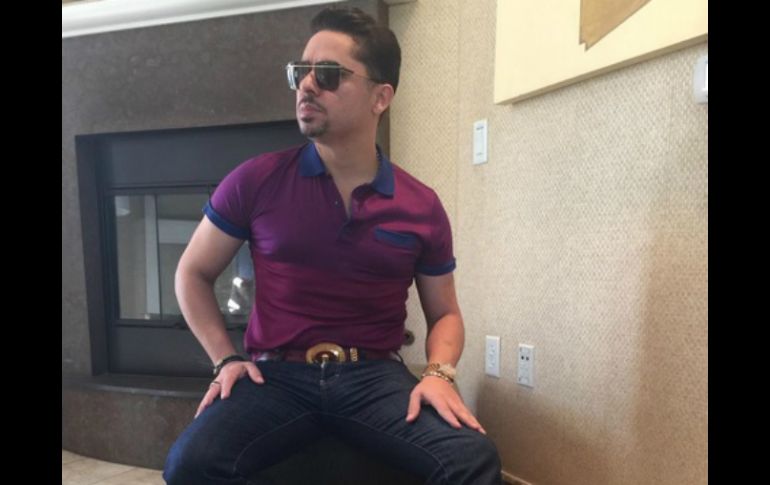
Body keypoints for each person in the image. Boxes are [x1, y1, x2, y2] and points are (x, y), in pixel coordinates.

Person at [163, 6, 502, 484]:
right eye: (300, 72)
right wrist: (226, 358)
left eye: (327, 74)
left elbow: (445, 312)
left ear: (380, 97)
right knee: (189, 463)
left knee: (471, 459)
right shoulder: (256, 180)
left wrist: (438, 374)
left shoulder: (420, 205)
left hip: (374, 379)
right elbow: (192, 273)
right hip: (277, 378)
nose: (307, 85)